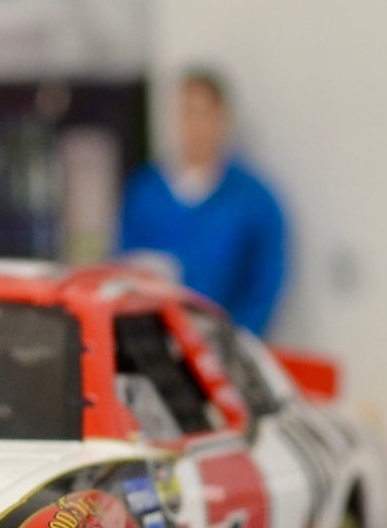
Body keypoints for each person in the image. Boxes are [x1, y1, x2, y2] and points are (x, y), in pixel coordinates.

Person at [119, 70, 290, 337]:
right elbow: (125, 262)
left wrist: (233, 339)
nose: (195, 126)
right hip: (156, 340)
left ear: (222, 118)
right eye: (187, 113)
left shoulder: (253, 200)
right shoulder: (146, 190)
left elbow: (265, 282)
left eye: (203, 114)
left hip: (225, 340)